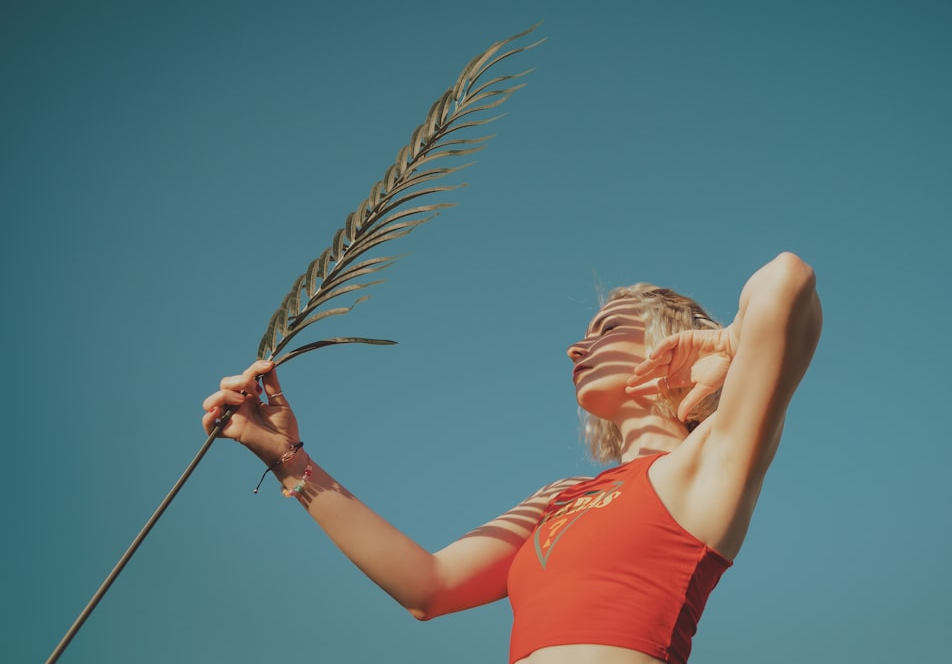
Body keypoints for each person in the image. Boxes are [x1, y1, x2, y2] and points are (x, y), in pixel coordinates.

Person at [202, 251, 822, 663]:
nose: (576, 349)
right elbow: (428, 586)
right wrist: (283, 454)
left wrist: (730, 342)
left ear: (668, 339)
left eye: (606, 328)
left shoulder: (709, 462)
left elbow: (787, 279)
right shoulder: (559, 497)